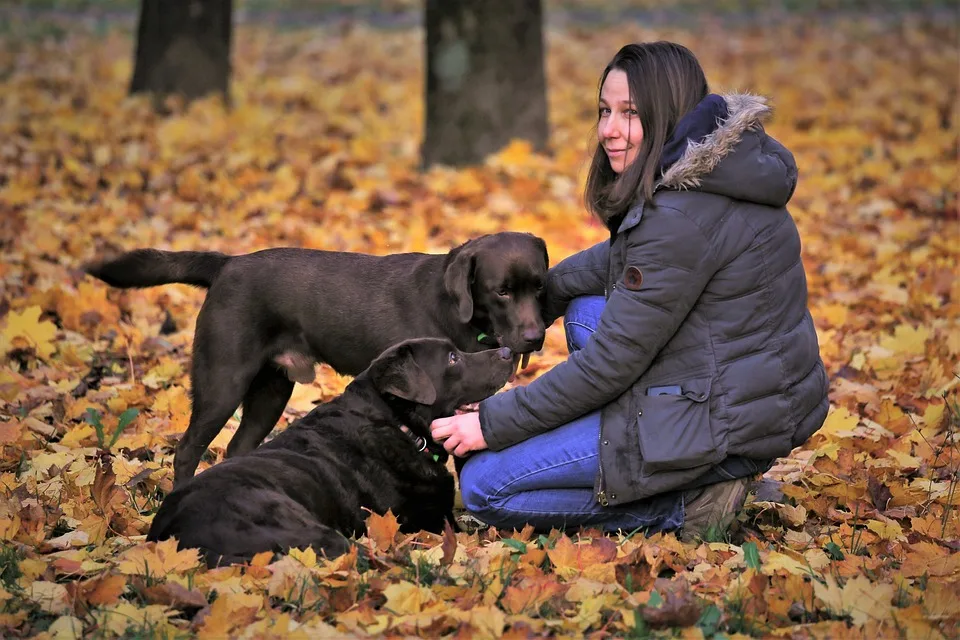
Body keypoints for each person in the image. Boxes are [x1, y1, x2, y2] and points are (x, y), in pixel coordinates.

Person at [430, 41, 829, 542]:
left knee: (486, 484)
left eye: (630, 114)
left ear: (668, 113)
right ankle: (672, 468)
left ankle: (686, 506)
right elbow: (616, 261)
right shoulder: (720, 171)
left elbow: (606, 369)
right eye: (604, 111)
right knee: (584, 313)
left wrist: (491, 421)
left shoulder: (679, 219)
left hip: (722, 420)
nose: (608, 131)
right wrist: (535, 309)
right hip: (750, 393)